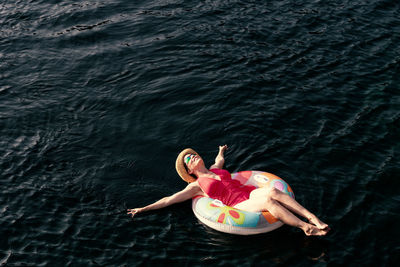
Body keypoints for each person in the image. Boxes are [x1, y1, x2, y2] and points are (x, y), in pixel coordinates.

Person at [127, 145, 330, 236]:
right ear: (189, 170)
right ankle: (305, 228)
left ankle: (313, 218)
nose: (193, 157)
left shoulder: (216, 169)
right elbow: (168, 200)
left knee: (273, 192)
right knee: (269, 202)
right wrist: (143, 209)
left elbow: (219, 161)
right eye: (189, 159)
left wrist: (221, 151)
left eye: (193, 154)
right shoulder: (195, 186)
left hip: (249, 191)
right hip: (239, 204)